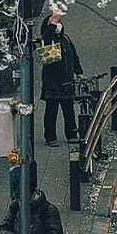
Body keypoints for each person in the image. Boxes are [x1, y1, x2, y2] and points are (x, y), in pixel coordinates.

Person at [39, 9, 82, 146]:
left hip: (67, 81)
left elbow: (74, 56)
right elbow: (47, 34)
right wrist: (52, 22)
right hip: (52, 81)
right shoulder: (48, 39)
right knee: (51, 111)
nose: (58, 26)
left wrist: (79, 71)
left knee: (69, 111)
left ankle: (71, 134)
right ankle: (50, 137)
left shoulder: (66, 39)